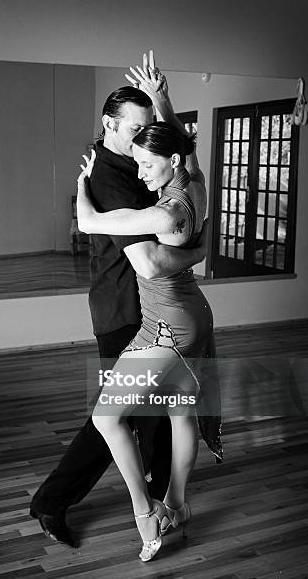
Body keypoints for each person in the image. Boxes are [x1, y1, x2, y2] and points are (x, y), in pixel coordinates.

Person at [29, 52, 210, 548]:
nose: (142, 140)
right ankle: (54, 500)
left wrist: (162, 103)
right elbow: (149, 262)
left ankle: (164, 503)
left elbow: (179, 155)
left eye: (148, 130)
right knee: (118, 416)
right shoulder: (110, 177)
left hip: (159, 312)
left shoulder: (144, 163)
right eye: (136, 129)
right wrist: (196, 249)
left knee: (152, 412)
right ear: (110, 125)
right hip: (125, 311)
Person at [76, 60, 222, 562]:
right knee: (181, 414)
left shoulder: (164, 211)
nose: (140, 173)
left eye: (147, 164)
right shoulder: (195, 180)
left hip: (169, 325)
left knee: (106, 417)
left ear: (172, 161)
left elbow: (95, 223)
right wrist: (162, 101)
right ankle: (177, 505)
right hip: (192, 313)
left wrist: (83, 183)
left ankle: (146, 512)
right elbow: (185, 144)